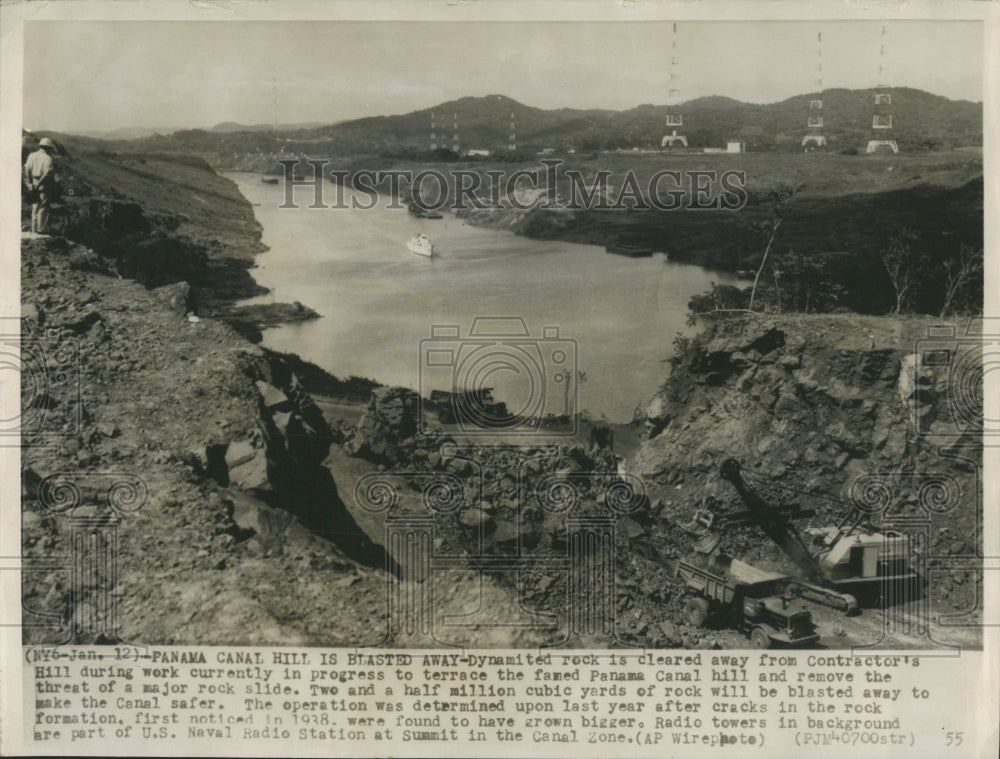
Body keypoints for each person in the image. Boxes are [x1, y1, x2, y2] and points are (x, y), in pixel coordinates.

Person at [23, 137, 57, 234]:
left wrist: (30, 184)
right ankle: (41, 229)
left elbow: (27, 170)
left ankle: (34, 229)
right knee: (43, 207)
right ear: (48, 148)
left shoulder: (32, 155)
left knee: (35, 206)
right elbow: (47, 174)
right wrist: (38, 185)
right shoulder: (49, 158)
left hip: (33, 184)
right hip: (44, 186)